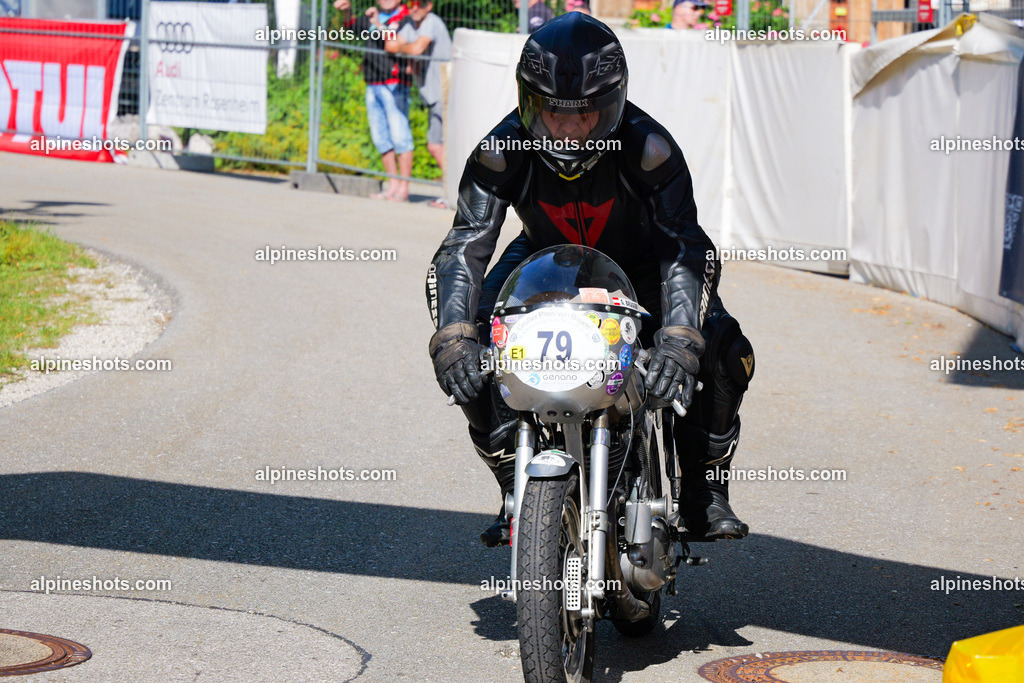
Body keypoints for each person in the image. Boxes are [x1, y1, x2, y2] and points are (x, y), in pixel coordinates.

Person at [425, 13, 756, 547]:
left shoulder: (652, 150)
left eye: (584, 115)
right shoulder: (501, 149)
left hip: (646, 268)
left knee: (725, 350)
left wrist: (679, 341)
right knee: (468, 342)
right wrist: (453, 339)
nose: (567, 129)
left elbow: (686, 249)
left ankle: (703, 489)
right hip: (544, 263)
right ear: (528, 101)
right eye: (552, 112)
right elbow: (463, 246)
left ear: (614, 104)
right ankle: (516, 487)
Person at [334, 0, 415, 201]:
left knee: (400, 137)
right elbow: (351, 29)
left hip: (395, 84)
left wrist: (377, 24)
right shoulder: (373, 14)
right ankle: (392, 185)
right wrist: (347, 11)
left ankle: (403, 188)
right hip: (373, 83)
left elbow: (396, 45)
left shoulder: (407, 17)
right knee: (381, 138)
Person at [385, 0, 452, 206]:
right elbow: (390, 45)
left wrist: (406, 48)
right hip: (433, 95)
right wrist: (409, 48)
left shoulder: (431, 22)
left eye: (419, 3)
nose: (414, 7)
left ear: (429, 6)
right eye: (411, 2)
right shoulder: (411, 25)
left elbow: (414, 48)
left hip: (444, 92)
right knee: (439, 146)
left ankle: (454, 194)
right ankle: (453, 193)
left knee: (437, 146)